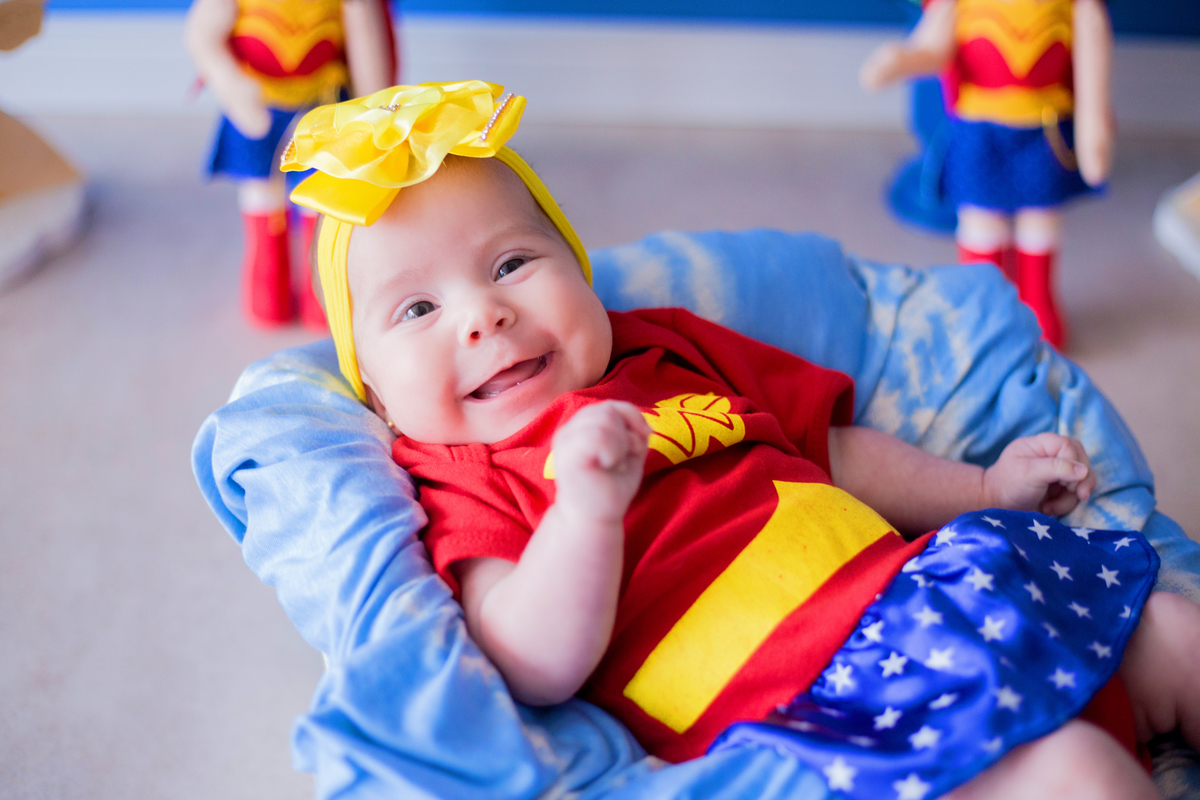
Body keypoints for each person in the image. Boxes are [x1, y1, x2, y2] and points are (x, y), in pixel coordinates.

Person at [281, 81, 1200, 800]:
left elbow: (831, 449)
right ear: (378, 395)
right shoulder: (457, 476)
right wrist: (587, 515)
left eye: (513, 263)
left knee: (1174, 631)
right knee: (1076, 773)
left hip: (924, 593)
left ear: (579, 270)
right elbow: (531, 660)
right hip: (823, 709)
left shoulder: (661, 346)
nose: (483, 314)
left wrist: (980, 490)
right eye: (419, 309)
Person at [860, 0, 1115, 350]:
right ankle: (983, 309)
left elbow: (1090, 69)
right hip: (979, 134)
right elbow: (932, 48)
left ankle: (1037, 305)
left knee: (1039, 223)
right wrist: (900, 60)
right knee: (981, 224)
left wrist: (1092, 131)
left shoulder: (1080, 7)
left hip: (1043, 131)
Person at [185, 0, 396, 328]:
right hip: (259, 101)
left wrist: (374, 107)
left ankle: (321, 301)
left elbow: (366, 41)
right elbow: (203, 35)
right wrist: (231, 84)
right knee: (262, 198)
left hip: (322, 100)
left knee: (321, 202)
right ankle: (267, 297)